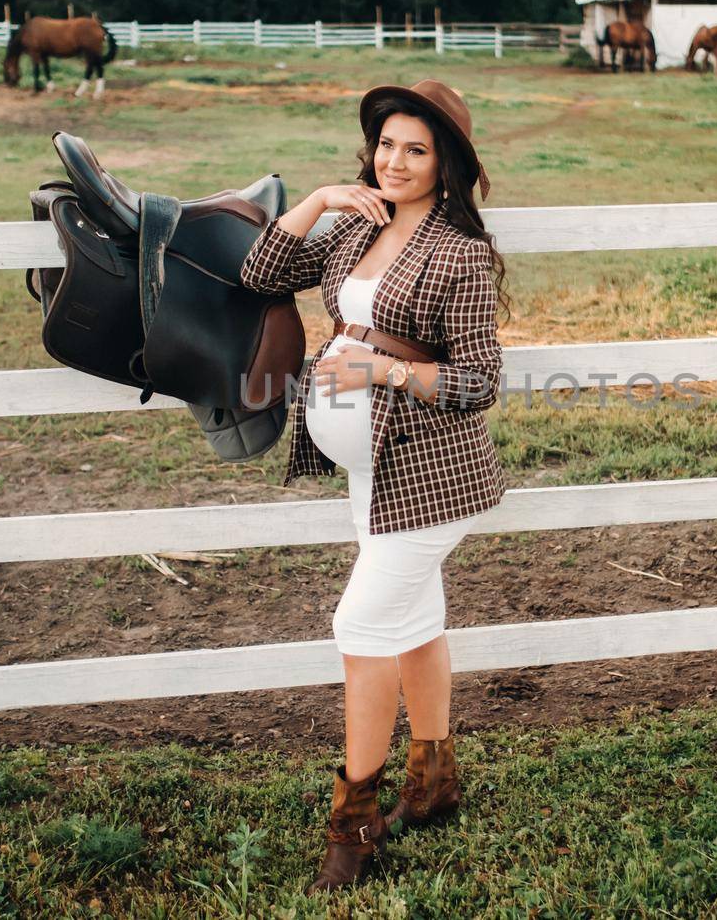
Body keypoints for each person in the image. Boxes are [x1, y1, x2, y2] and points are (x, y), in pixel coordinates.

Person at [237, 78, 511, 892]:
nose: (395, 160)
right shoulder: (357, 229)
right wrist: (319, 199)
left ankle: (353, 825)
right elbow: (259, 273)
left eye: (415, 149)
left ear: (446, 164)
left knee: (360, 625)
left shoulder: (459, 254)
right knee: (414, 620)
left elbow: (478, 382)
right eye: (386, 144)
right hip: (371, 468)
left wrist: (383, 367)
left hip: (430, 476)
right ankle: (433, 783)